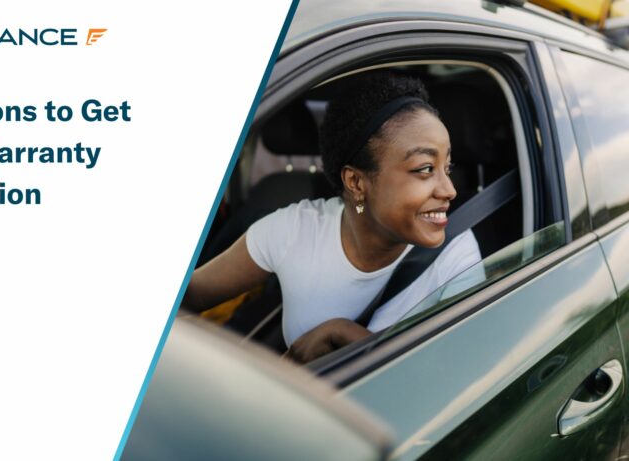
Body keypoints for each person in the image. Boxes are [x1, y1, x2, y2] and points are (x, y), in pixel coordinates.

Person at [183, 72, 481, 363]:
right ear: (356, 183)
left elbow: (459, 376)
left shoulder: (455, 252)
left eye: (448, 167)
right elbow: (189, 295)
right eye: (426, 168)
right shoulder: (294, 231)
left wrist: (346, 335)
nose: (450, 190)